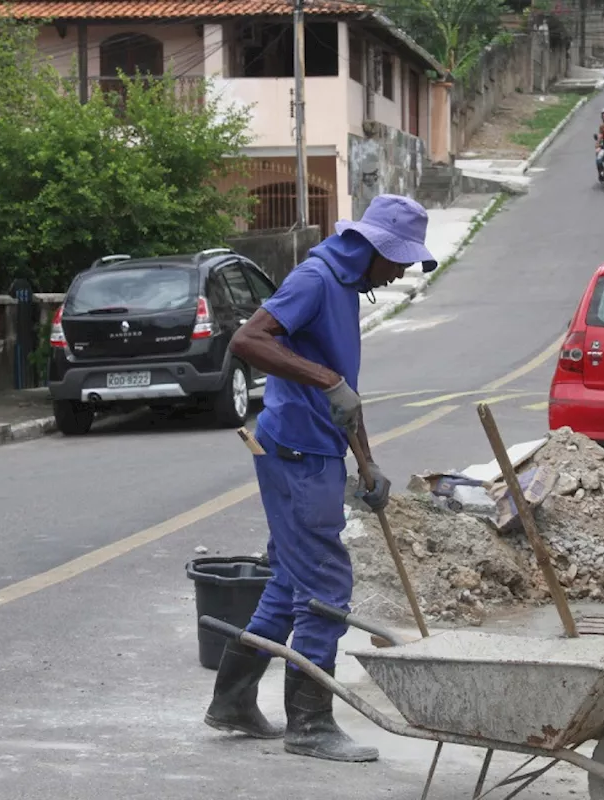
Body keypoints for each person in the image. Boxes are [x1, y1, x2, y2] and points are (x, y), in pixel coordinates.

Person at [201, 195, 436, 763]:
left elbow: (343, 394)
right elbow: (247, 340)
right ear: (375, 248)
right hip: (297, 454)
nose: (403, 270)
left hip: (310, 447)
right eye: (400, 259)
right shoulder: (317, 279)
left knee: (287, 582)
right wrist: (325, 379)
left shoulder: (346, 285)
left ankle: (231, 700)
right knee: (327, 584)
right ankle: (309, 724)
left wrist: (367, 461)